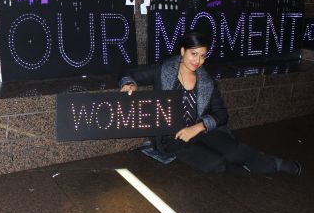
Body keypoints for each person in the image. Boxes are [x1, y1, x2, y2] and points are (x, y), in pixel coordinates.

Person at [118, 31, 302, 175]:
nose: (198, 61)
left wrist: (198, 127)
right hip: (173, 136)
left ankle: (277, 165)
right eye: (194, 54)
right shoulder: (163, 70)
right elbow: (130, 73)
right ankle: (245, 169)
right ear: (183, 51)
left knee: (234, 151)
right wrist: (128, 84)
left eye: (203, 56)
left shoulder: (206, 81)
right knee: (214, 164)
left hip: (201, 129)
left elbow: (221, 114)